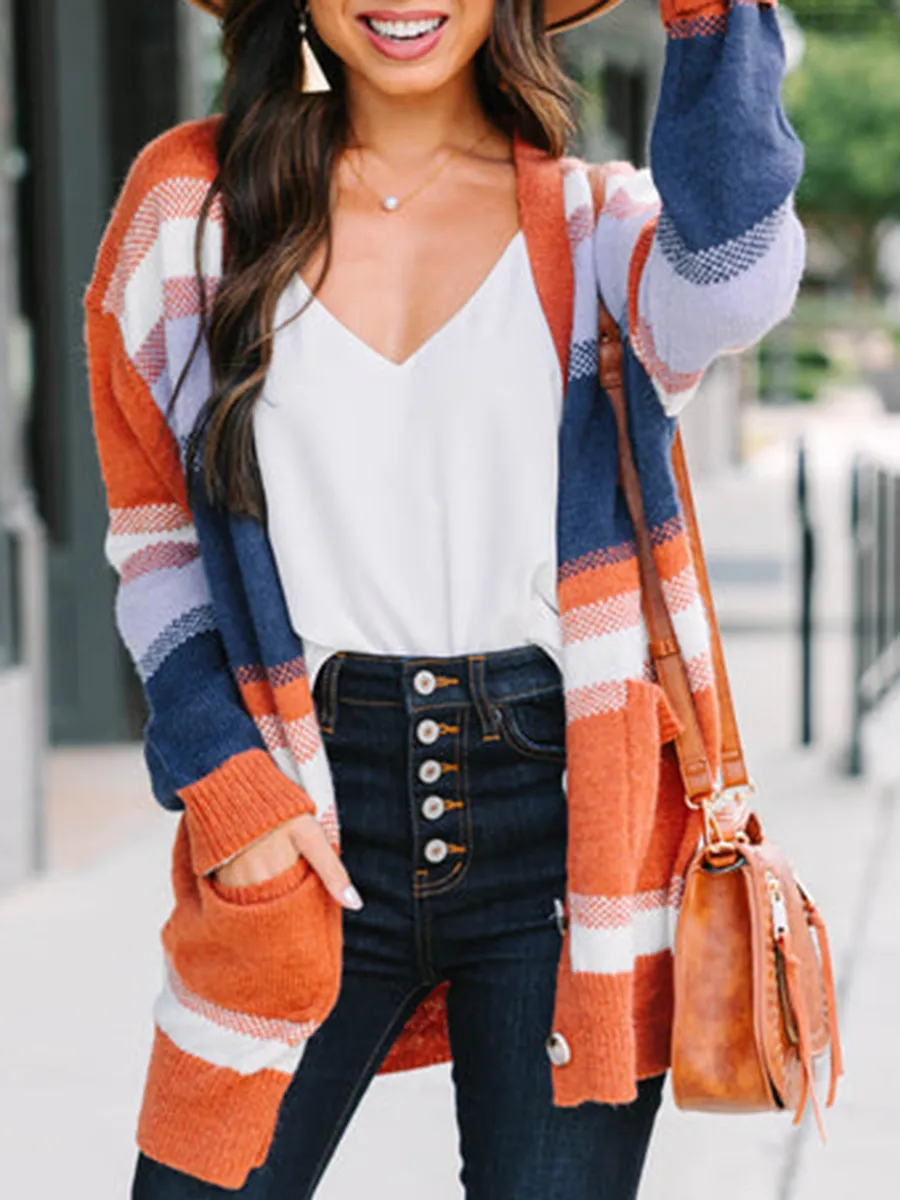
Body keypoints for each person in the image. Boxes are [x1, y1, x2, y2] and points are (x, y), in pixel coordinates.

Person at [84, 0, 804, 1195]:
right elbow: (153, 536)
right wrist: (230, 789)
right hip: (310, 804)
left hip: (564, 813)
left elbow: (731, 282)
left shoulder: (594, 223)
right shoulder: (192, 210)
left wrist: (711, 20)